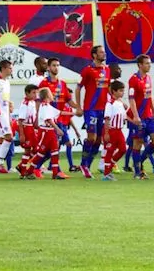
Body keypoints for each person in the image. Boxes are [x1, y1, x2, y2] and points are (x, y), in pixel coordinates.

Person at [75, 46, 112, 179]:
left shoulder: (107, 70)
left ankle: (87, 165)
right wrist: (79, 107)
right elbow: (78, 88)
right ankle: (83, 164)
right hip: (91, 109)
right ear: (94, 55)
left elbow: (108, 89)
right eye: (101, 52)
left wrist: (116, 101)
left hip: (104, 110)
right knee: (91, 137)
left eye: (104, 52)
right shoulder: (87, 70)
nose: (104, 54)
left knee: (98, 140)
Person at [41, 57, 80, 174]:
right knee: (52, 147)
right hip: (50, 121)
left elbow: (69, 101)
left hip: (61, 120)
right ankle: (48, 168)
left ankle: (38, 167)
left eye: (58, 65)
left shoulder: (62, 83)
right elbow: (39, 102)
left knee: (55, 147)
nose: (56, 67)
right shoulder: (44, 83)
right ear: (48, 67)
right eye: (53, 65)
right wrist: (38, 119)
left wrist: (79, 108)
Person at [126, 54, 154, 179]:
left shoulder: (148, 78)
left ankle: (139, 162)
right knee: (137, 143)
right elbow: (131, 99)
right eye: (146, 63)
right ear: (140, 65)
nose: (149, 65)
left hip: (148, 116)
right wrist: (136, 116)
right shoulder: (133, 79)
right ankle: (137, 172)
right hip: (137, 117)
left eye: (149, 63)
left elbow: (149, 96)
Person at [30, 87, 70, 180]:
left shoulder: (48, 106)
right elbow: (48, 119)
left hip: (50, 131)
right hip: (45, 131)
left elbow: (60, 112)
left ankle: (55, 173)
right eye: (50, 93)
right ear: (47, 96)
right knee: (41, 153)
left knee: (55, 152)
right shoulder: (44, 106)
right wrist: (58, 129)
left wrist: (75, 113)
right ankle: (29, 171)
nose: (52, 95)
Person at [102, 81, 129, 181]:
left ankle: (110, 165)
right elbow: (107, 119)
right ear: (114, 91)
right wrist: (106, 132)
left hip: (119, 130)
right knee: (110, 151)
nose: (122, 93)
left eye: (123, 90)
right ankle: (106, 173)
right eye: (120, 91)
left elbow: (124, 117)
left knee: (123, 149)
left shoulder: (120, 103)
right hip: (112, 130)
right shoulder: (110, 103)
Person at [16, 85, 41, 178]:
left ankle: (20, 166)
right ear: (27, 93)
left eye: (36, 93)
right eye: (33, 92)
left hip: (31, 128)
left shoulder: (32, 103)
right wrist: (22, 134)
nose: (36, 95)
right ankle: (23, 171)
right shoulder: (25, 104)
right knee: (27, 150)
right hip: (26, 128)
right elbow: (20, 120)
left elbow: (34, 118)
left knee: (36, 150)